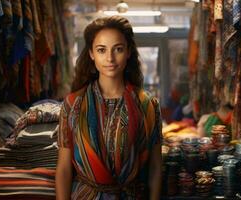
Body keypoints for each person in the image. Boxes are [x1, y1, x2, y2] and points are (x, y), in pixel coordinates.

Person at [55, 16, 162, 200]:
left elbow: (155, 167)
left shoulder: (147, 105)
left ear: (128, 52)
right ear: (91, 54)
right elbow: (64, 168)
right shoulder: (73, 104)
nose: (110, 58)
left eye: (118, 49)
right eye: (101, 50)